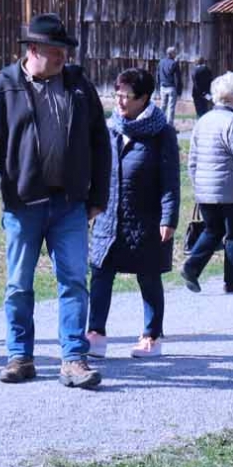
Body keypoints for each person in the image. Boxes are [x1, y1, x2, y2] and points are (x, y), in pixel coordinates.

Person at [0, 12, 112, 390]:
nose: (63, 56)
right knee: (18, 285)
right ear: (32, 50)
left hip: (70, 204)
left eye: (65, 49)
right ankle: (20, 356)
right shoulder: (2, 88)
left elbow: (100, 142)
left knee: (75, 281)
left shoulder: (79, 86)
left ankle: (74, 360)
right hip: (22, 204)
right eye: (55, 50)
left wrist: (98, 195)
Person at [87, 67, 178, 360]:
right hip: (108, 216)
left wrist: (169, 218)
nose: (120, 102)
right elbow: (94, 170)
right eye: (117, 95)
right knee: (100, 273)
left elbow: (170, 180)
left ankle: (151, 336)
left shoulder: (162, 133)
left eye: (127, 97)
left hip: (146, 219)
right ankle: (95, 335)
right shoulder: (110, 128)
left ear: (145, 99)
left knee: (149, 277)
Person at [182, 71, 233, 294]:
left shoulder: (203, 121)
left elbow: (192, 160)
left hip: (205, 190)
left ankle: (191, 266)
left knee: (212, 230)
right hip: (230, 191)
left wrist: (197, 186)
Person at [156, 46, 180, 121]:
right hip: (171, 87)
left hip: (163, 86)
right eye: (175, 53)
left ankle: (160, 122)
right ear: (172, 54)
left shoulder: (161, 62)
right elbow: (178, 78)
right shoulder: (174, 63)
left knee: (163, 106)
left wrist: (158, 85)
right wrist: (179, 89)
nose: (175, 54)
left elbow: (158, 75)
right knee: (171, 107)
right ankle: (170, 125)